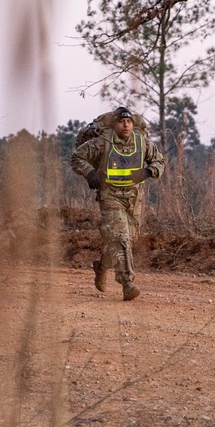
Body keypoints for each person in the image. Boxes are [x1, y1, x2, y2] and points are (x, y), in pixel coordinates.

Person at [71, 106, 165, 300]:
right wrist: (89, 173)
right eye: (121, 121)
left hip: (133, 198)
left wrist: (147, 172)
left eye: (129, 121)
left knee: (128, 240)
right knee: (120, 238)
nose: (125, 125)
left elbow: (159, 162)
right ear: (114, 125)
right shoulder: (102, 143)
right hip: (109, 196)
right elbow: (77, 157)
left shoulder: (142, 143)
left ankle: (102, 266)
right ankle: (127, 284)